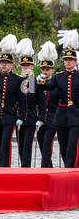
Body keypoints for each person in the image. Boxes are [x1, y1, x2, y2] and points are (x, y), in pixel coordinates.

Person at [0, 42, 30, 167]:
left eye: (6, 63)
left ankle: (4, 167)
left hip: (9, 115)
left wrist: (21, 116)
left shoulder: (19, 80)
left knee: (5, 143)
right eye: (2, 62)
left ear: (12, 64)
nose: (4, 65)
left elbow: (23, 100)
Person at [48, 33, 79, 168]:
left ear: (75, 61)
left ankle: (69, 169)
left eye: (71, 60)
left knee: (72, 144)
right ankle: (68, 167)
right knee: (63, 144)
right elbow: (46, 87)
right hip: (61, 116)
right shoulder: (58, 76)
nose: (68, 62)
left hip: (76, 115)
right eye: (66, 60)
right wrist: (32, 78)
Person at [35, 42, 59, 167]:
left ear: (52, 70)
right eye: (43, 69)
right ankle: (48, 167)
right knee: (40, 141)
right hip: (40, 118)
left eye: (47, 69)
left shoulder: (56, 83)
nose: (45, 71)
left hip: (52, 117)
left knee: (47, 143)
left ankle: (43, 168)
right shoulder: (38, 82)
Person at [16, 41, 38, 167]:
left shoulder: (34, 81)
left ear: (32, 66)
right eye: (24, 65)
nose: (25, 67)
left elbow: (31, 96)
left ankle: (26, 167)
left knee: (27, 144)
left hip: (30, 116)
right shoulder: (17, 80)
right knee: (20, 143)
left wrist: (28, 79)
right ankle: (23, 165)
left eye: (28, 65)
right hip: (18, 115)